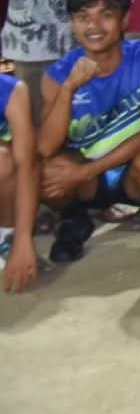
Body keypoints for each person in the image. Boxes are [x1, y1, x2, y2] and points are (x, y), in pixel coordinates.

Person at [39, 0, 140, 262]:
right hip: (88, 181)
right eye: (83, 17)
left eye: (106, 15)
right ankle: (74, 220)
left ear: (124, 20)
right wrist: (69, 88)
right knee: (43, 170)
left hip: (135, 174)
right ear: (73, 25)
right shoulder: (58, 73)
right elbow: (46, 147)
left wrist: (83, 173)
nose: (94, 26)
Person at [0, 74, 39, 292]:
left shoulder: (12, 91)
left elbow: (28, 166)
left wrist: (22, 239)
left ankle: (6, 235)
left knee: (3, 160)